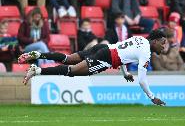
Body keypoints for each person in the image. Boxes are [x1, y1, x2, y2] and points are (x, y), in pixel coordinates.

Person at [18, 28, 167, 106]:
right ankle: (37, 70)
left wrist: (125, 73)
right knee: (72, 71)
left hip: (102, 48)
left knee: (68, 59)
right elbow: (142, 80)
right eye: (162, 43)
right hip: (105, 58)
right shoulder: (146, 53)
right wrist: (152, 97)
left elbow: (124, 53)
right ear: (154, 41)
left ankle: (39, 55)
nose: (164, 46)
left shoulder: (140, 38)